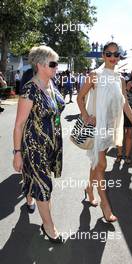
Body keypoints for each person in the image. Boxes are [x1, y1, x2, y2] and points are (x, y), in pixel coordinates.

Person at [77, 42, 132, 222]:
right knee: (102, 165)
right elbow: (80, 98)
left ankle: (89, 188)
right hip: (97, 128)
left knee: (97, 162)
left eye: (116, 54)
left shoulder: (120, 79)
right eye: (108, 53)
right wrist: (86, 116)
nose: (113, 57)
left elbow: (124, 104)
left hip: (111, 128)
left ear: (119, 56)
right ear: (103, 55)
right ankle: (105, 205)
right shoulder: (95, 75)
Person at [13, 45, 65, 243]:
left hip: (53, 145)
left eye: (56, 63)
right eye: (53, 64)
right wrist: (17, 152)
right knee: (45, 186)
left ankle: (28, 193)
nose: (57, 67)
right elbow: (19, 125)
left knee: (37, 179)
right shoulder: (29, 90)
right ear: (40, 65)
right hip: (35, 147)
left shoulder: (52, 84)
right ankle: (49, 227)